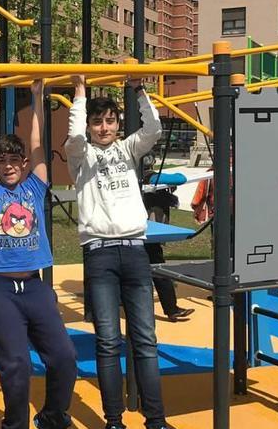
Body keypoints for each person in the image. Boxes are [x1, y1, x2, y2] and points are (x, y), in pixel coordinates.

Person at [0, 76, 77, 429]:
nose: (9, 164)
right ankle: (14, 425)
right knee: (16, 365)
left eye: (15, 159)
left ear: (24, 163)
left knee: (64, 357)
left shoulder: (35, 185)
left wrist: (37, 96)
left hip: (35, 287)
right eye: (3, 160)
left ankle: (51, 416)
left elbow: (37, 143)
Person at [64, 76, 168, 429]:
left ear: (118, 124)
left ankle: (155, 419)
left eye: (110, 120)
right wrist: (79, 94)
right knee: (108, 340)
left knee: (145, 339)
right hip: (100, 253)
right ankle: (114, 420)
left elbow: (153, 129)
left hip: (135, 250)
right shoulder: (81, 156)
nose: (104, 127)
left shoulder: (127, 150)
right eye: (98, 121)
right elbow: (75, 138)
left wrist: (140, 91)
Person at [141, 170, 194, 322]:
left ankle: (171, 309)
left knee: (155, 272)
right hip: (147, 234)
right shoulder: (150, 177)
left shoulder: (141, 178)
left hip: (145, 234)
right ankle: (171, 309)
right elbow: (181, 178)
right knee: (158, 271)